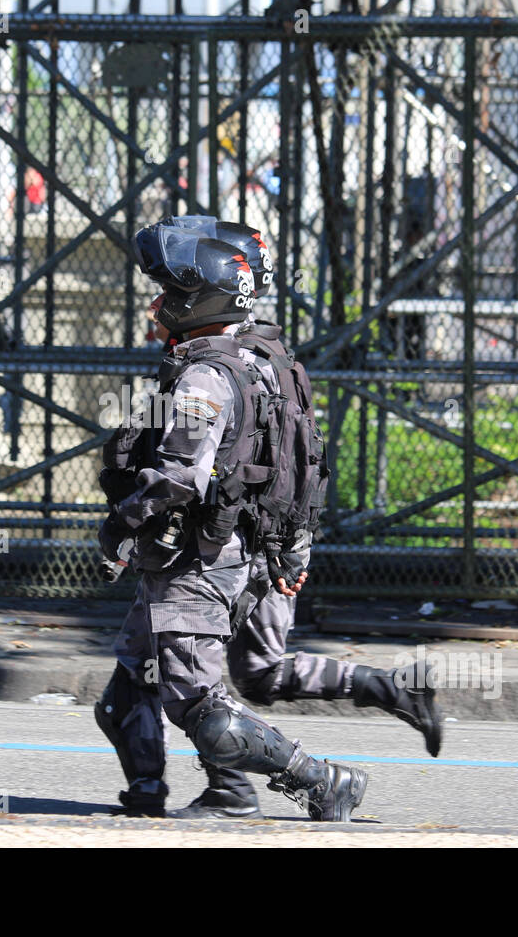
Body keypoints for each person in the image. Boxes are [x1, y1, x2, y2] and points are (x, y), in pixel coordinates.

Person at [94, 222, 368, 821]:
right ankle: (157, 801)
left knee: (202, 710)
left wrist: (119, 525)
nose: (153, 305)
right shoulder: (258, 358)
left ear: (198, 301)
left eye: (165, 294)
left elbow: (177, 479)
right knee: (125, 696)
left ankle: (322, 781)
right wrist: (292, 549)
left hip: (198, 559)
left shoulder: (203, 377)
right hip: (225, 552)